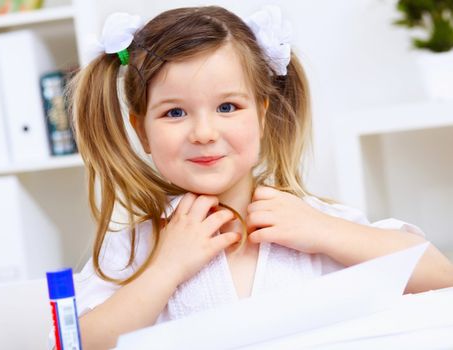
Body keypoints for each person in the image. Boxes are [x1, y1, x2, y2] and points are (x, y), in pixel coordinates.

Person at [53, 5, 453, 350]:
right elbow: (80, 342)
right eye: (175, 112)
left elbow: (441, 278)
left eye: (228, 106)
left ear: (262, 115)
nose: (204, 132)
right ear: (142, 131)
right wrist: (166, 268)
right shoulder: (135, 249)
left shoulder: (309, 222)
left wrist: (325, 231)